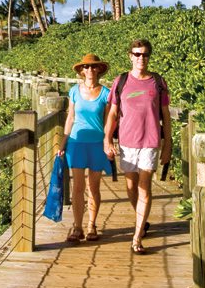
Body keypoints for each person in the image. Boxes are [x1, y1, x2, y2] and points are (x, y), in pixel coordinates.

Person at [104, 38, 171, 254]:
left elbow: (166, 115)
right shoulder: (120, 81)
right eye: (137, 54)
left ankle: (136, 236)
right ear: (130, 56)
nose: (141, 58)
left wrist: (168, 143)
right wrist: (107, 139)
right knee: (131, 186)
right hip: (127, 142)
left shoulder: (158, 82)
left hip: (150, 142)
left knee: (145, 187)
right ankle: (140, 219)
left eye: (145, 54)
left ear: (149, 56)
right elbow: (113, 113)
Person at [57, 53, 111, 244]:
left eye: (93, 67)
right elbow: (70, 117)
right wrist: (63, 142)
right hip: (76, 142)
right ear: (81, 71)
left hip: (97, 143)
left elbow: (109, 122)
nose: (89, 70)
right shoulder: (73, 91)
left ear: (99, 69)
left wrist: (108, 142)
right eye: (86, 67)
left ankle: (91, 225)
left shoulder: (106, 93)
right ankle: (77, 226)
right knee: (78, 187)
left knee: (94, 187)